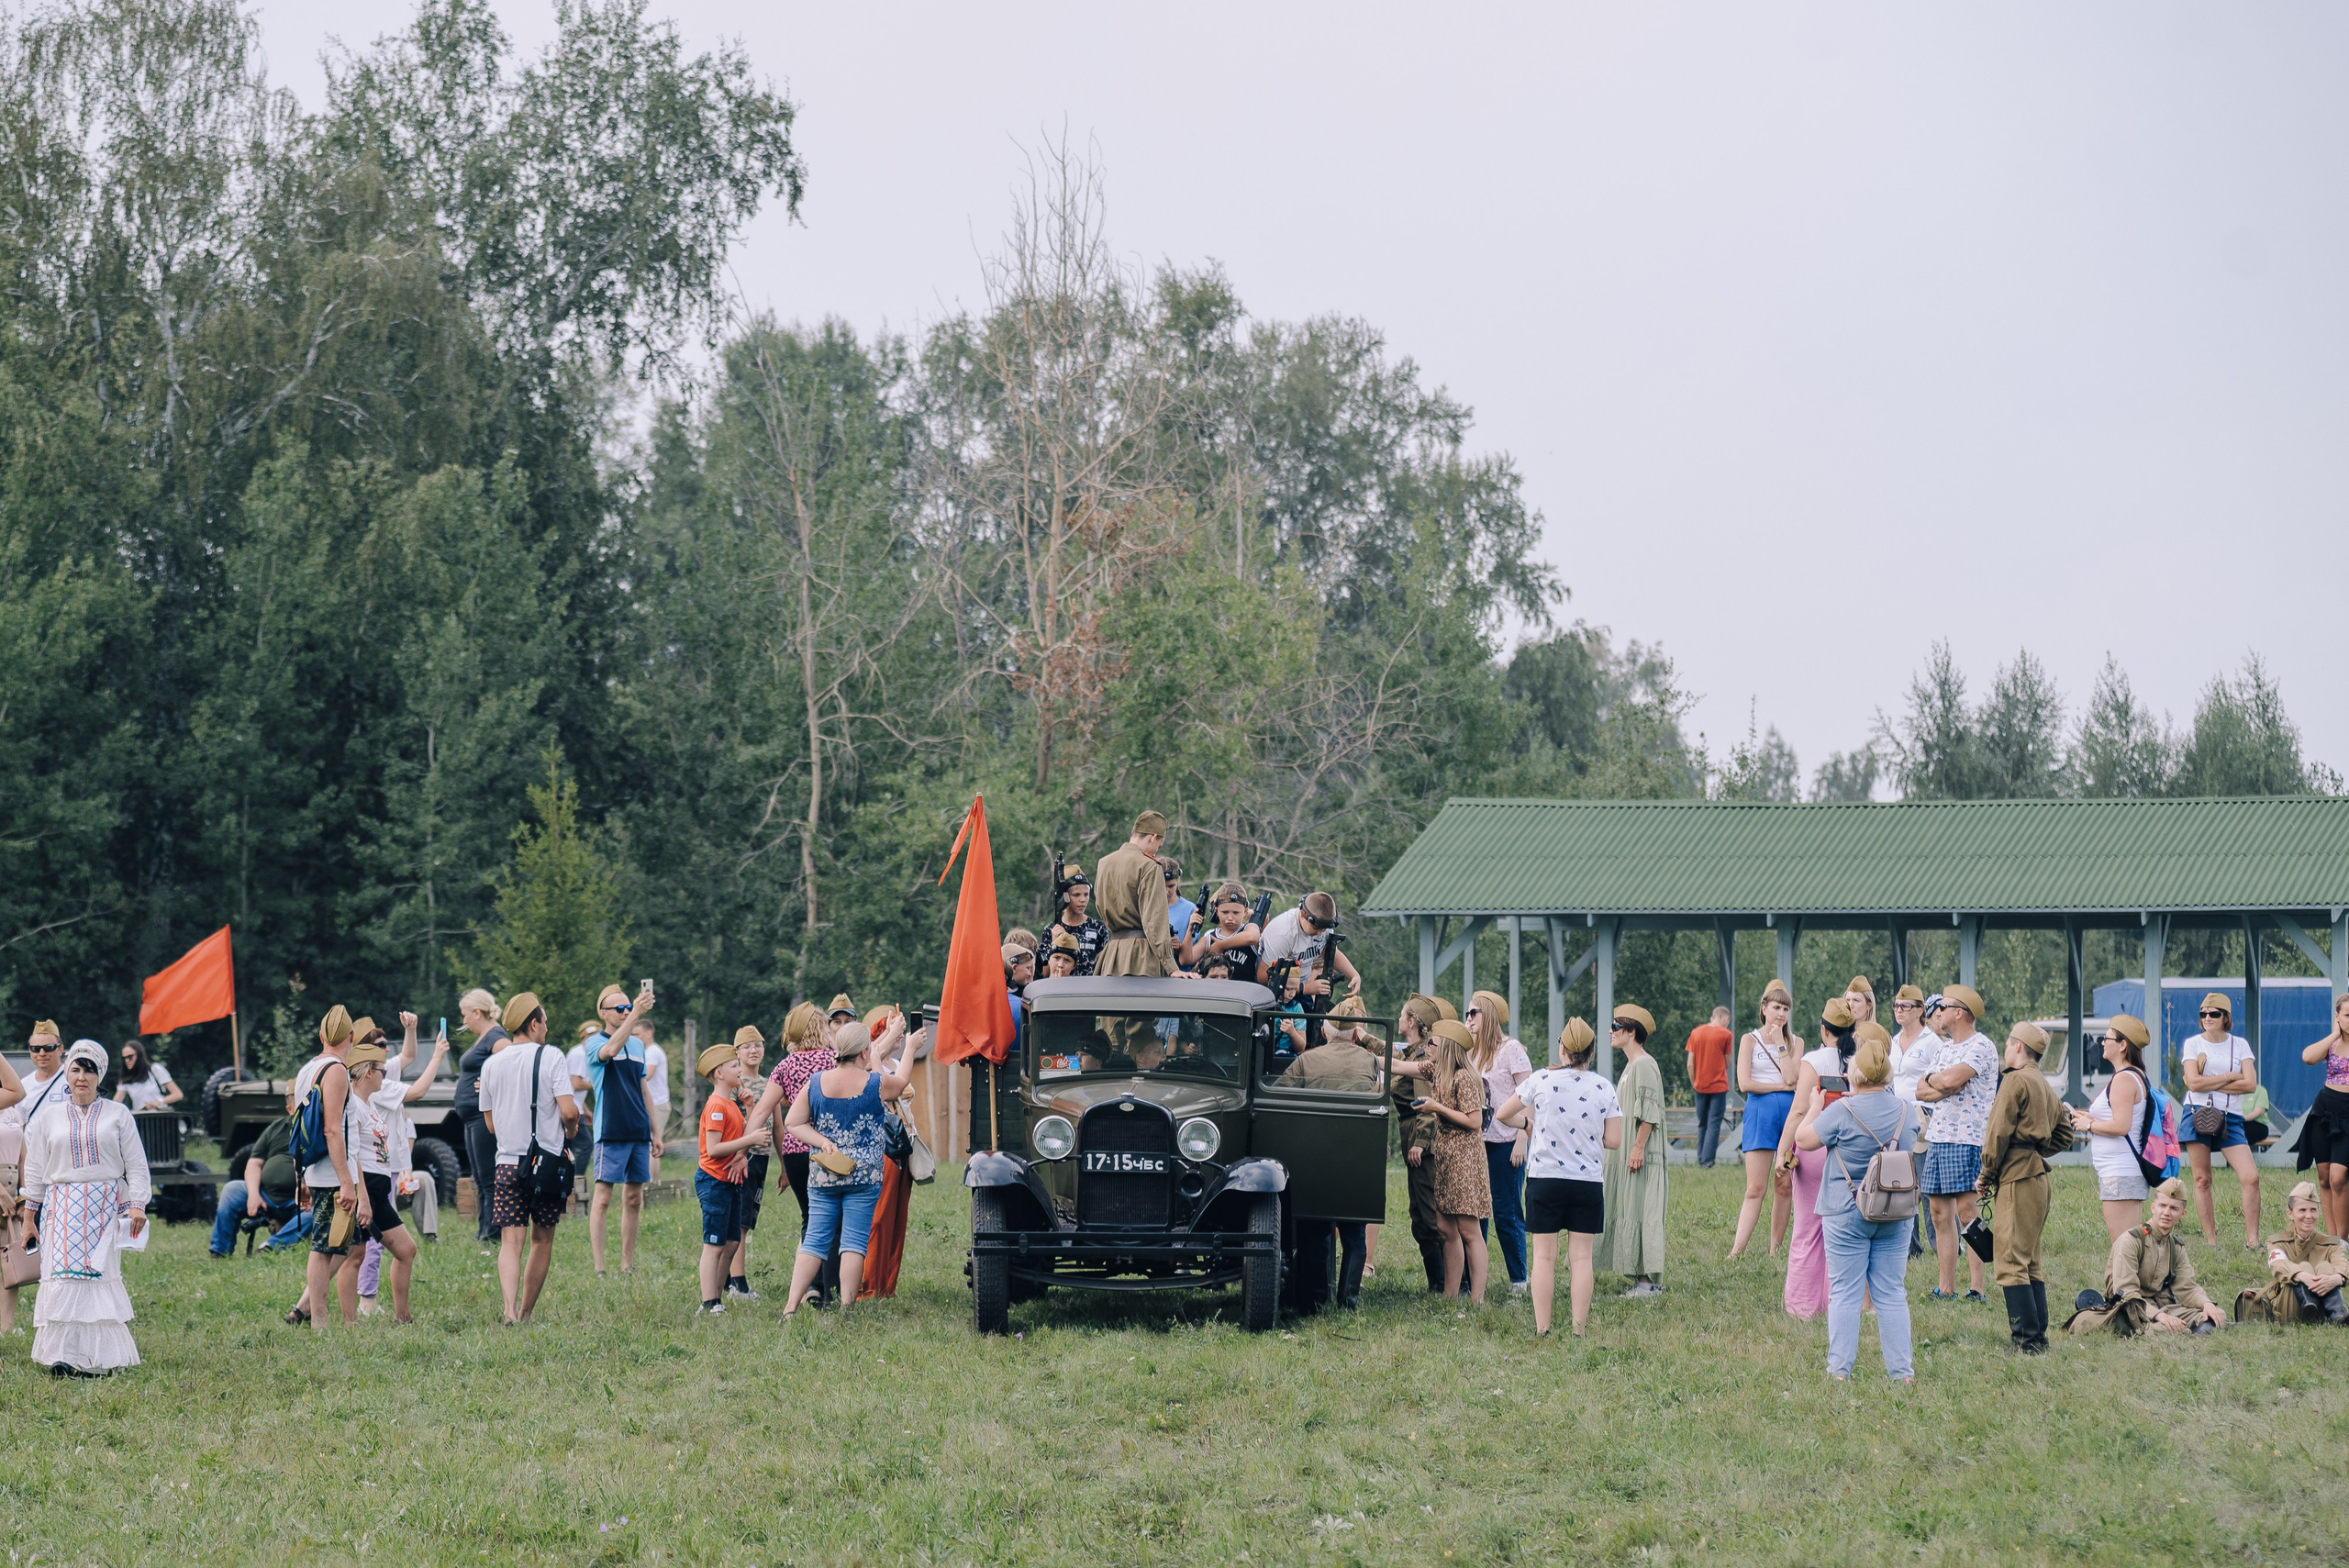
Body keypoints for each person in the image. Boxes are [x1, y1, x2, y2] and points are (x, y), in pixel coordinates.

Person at [17, 1040, 149, 1374]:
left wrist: (137, 1205)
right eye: (75, 1069)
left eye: (88, 1070)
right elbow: (35, 1169)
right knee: (62, 1280)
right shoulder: (50, 1117)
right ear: (66, 1072)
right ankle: (63, 1357)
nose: (81, 1077)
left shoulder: (118, 1115)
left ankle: (100, 1360)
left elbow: (135, 1164)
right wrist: (29, 1217)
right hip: (60, 1208)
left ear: (99, 1075)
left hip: (104, 1208)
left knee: (95, 1279)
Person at [1793, 1028, 1916, 1383]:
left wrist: (1815, 1107)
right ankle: (1901, 1373)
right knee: (1892, 1292)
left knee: (1845, 1291)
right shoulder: (1907, 1111)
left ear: (1854, 1074)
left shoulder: (1843, 1110)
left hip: (1845, 1209)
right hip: (1895, 1211)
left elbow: (1804, 1139)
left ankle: (1840, 1371)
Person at [780, 1017, 914, 1318]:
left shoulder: (816, 1083)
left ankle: (790, 1309)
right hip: (865, 1176)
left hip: (825, 1174)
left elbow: (792, 1122)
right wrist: (910, 1047)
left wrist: (822, 1141)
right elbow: (902, 1084)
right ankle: (846, 1309)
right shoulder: (874, 1084)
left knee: (814, 1240)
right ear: (865, 1052)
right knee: (854, 1242)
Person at [1497, 1018, 1618, 1337]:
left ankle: (1542, 1328)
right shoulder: (1604, 1087)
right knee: (1581, 1258)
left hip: (1545, 1178)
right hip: (1587, 1182)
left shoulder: (1540, 1080)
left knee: (1544, 1257)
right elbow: (1615, 1139)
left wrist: (1528, 1124)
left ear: (1561, 1048)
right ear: (1591, 1052)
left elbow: (1501, 1114)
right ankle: (1578, 1330)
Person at [478, 993, 578, 1325]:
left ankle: (507, 1310)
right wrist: (572, 1128)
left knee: (510, 1240)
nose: (546, 1029)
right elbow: (568, 1109)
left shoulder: (491, 1064)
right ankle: (525, 1311)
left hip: (507, 1162)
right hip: (545, 1163)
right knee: (542, 1238)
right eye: (545, 1022)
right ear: (533, 1024)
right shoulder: (550, 1057)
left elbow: (490, 1124)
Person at [1279, 997, 1382, 1308]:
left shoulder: (1306, 1061)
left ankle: (1315, 1300)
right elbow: (1377, 1093)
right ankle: (1348, 1300)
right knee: (1355, 1233)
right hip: (1358, 1159)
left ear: (1324, 1033)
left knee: (1314, 1231)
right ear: (1354, 1035)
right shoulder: (1368, 1062)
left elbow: (1280, 1095)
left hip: (1315, 1159)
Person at [1978, 1020, 2067, 1353]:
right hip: (2038, 1176)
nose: (2006, 1048)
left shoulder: (2015, 1080)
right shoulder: (2043, 1083)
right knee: (2029, 1260)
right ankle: (2037, 1336)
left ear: (2017, 1046)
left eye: (2007, 1043)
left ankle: (2027, 1341)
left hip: (2016, 1177)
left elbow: (1997, 1133)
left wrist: (1988, 1173)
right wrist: (2035, 1150)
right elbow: (2065, 1134)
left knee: (2010, 1261)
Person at [750, 1003, 840, 1307]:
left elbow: (762, 1110)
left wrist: (742, 1145)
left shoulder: (785, 1066)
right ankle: (828, 1291)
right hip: (831, 1150)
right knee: (836, 1218)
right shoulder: (836, 1061)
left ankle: (811, 1286)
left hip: (795, 1153)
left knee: (810, 1217)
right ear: (822, 1028)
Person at [1914, 983, 1998, 1303]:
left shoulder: (1982, 1046)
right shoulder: (1945, 1048)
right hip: (1938, 1137)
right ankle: (1945, 1286)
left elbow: (1947, 1081)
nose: (1938, 1012)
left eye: (1944, 1007)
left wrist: (1944, 1083)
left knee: (1967, 1212)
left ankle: (1977, 1287)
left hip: (1968, 1139)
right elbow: (1922, 1090)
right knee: (1938, 1213)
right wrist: (1944, 1084)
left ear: (1960, 1013)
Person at [1776, 997, 1857, 1320]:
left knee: (1808, 1228)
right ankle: (1834, 1300)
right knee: (1838, 1229)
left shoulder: (1814, 1060)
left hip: (1814, 1145)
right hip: (1849, 1149)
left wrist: (1783, 1151)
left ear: (1824, 1031)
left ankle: (1802, 1305)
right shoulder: (1860, 1059)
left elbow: (1799, 1110)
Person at [2066, 1178, 2225, 1336]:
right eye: (2162, 1206)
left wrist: (2207, 1304)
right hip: (2131, 1308)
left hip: (2160, 1306)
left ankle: (2189, 1331)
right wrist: (2160, 1316)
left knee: (2216, 1315)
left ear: (2182, 1214)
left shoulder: (2175, 1247)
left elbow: (2187, 1287)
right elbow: (2126, 1292)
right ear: (2153, 1207)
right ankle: (2184, 1332)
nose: (2166, 1213)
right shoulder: (2131, 1241)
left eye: (2174, 1208)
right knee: (2170, 1330)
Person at [335, 1041, 422, 1323]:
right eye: (382, 1070)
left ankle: (402, 1316)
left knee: (405, 1250)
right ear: (368, 1072)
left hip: (378, 1192)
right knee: (353, 1256)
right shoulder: (352, 1106)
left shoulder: (370, 1103)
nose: (385, 1075)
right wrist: (361, 1197)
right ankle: (348, 1324)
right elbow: (353, 1154)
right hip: (366, 1191)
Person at [290, 1006, 364, 1330]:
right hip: (331, 1175)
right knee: (323, 1247)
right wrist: (346, 1183)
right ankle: (318, 1320)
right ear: (351, 1037)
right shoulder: (336, 1070)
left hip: (316, 1171)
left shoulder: (308, 1069)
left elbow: (295, 1125)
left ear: (321, 1037)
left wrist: (300, 1175)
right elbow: (331, 1130)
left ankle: (307, 1309)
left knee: (351, 1244)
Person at [584, 983, 660, 1278]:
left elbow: (644, 1089)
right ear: (604, 1013)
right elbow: (611, 1049)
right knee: (603, 1198)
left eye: (629, 1006)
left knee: (634, 1199)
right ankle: (599, 1267)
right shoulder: (594, 1043)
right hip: (610, 1129)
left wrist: (656, 1131)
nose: (627, 1011)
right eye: (620, 1008)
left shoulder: (638, 1046)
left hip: (638, 1130)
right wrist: (636, 1016)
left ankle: (627, 1264)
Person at [2179, 992, 2262, 1251]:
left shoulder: (2240, 1045)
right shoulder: (2193, 1044)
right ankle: (2211, 1241)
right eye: (2203, 1014)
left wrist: (2210, 1084)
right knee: (2202, 1179)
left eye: (2214, 1013)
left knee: (2251, 1177)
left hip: (2231, 1117)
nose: (2207, 1018)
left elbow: (2250, 1084)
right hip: (2197, 1113)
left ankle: (2253, 1240)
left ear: (2226, 1017)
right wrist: (2229, 1076)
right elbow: (2192, 1083)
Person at [694, 1039, 769, 1315]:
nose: (740, 1069)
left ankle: (717, 1295)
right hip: (714, 1181)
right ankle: (709, 1302)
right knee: (713, 1243)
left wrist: (749, 1107)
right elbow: (713, 1150)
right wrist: (748, 1140)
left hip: (732, 1181)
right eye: (734, 1065)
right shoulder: (716, 1106)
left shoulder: (732, 1105)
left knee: (732, 1241)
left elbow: (742, 1136)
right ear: (719, 1074)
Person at [1729, 979, 1800, 1261]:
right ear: (1764, 1008)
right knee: (1755, 1187)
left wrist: (1781, 1045)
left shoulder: (1796, 1043)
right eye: (1776, 1007)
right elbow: (1745, 1083)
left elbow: (1793, 1078)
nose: (1781, 1014)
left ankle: (1775, 1249)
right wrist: (1780, 1087)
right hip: (1760, 1112)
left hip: (1790, 1114)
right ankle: (1737, 1250)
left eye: (1785, 1009)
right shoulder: (1750, 1040)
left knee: (1784, 1182)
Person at [1421, 1018, 1492, 1303]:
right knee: (1446, 1228)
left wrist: (1436, 1106)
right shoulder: (1437, 1069)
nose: (1427, 1047)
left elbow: (1474, 1121)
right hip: (1447, 1157)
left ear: (1447, 1048)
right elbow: (1401, 1066)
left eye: (1432, 1043)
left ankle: (1477, 1299)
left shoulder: (1463, 1077)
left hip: (1465, 1158)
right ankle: (1451, 1295)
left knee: (1468, 1230)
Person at [1598, 1004, 1667, 1298]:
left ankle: (1647, 1282)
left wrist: (1638, 1147)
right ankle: (1639, 1277)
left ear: (1630, 1032)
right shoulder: (1631, 1065)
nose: (1610, 1033)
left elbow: (1649, 1112)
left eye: (1615, 1028)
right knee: (1629, 1207)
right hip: (1626, 1152)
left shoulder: (1643, 1064)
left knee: (1641, 1209)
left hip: (1640, 1155)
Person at [1466, 991, 1532, 1295]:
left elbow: (1530, 1095)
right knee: (1476, 1212)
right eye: (1467, 1014)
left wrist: (1523, 1137)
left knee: (1506, 1212)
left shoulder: (1512, 1049)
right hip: (1477, 1143)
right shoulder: (1470, 1051)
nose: (1468, 1019)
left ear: (1488, 1014)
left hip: (1506, 1142)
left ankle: (1519, 1280)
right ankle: (1472, 1281)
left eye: (1474, 1013)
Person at [3, 1021, 64, 1336]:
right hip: (19, 1180)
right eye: (35, 1048)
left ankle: (22, 1322)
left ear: (60, 1049)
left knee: (32, 1252)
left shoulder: (73, 1080)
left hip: (53, 1174)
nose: (41, 1054)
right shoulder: (22, 1088)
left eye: (48, 1047)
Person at [857, 1006, 921, 1302]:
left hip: (901, 1145)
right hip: (880, 1147)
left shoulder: (893, 1061)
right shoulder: (867, 1065)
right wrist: (904, 1043)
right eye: (887, 1027)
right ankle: (869, 1285)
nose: (895, 1033)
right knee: (879, 1218)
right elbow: (894, 1087)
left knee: (897, 1218)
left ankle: (887, 1285)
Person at [2070, 1014, 2151, 1242]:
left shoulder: (2124, 1079)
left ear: (2123, 1045)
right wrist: (2089, 1116)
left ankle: (2127, 1279)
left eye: (2107, 1038)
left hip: (2120, 1172)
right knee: (2131, 1242)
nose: (2103, 1043)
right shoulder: (2133, 1076)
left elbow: (2122, 1125)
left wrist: (2090, 1124)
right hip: (2123, 1171)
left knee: (2124, 1245)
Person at [1386, 995, 1447, 1291]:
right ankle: (1440, 1282)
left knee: (1429, 1217)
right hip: (1412, 1135)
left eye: (1401, 1016)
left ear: (1412, 1023)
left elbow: (1427, 1105)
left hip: (1422, 1143)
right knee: (1420, 1216)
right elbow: (1392, 1058)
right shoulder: (1414, 1053)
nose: (1398, 1020)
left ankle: (1445, 1283)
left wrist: (1420, 1143)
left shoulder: (1423, 1058)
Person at [208, 1088, 307, 1257]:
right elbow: (254, 1163)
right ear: (289, 1109)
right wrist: (254, 1194)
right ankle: (220, 1251)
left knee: (318, 1210)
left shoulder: (320, 1129)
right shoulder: (276, 1128)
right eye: (299, 1104)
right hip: (266, 1196)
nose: (305, 1109)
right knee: (232, 1190)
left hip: (300, 1200)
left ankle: (271, 1247)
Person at [2234, 1181, 2347, 1325]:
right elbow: (2278, 1265)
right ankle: (2309, 1311)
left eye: (2313, 1210)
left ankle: (2337, 1316)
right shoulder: (2277, 1242)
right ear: (2290, 1214)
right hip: (2290, 1309)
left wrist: (2337, 1279)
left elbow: (2342, 1264)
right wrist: (2302, 1276)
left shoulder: (2331, 1243)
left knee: (2325, 1266)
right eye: (2302, 1210)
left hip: (2324, 1309)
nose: (2308, 1216)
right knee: (2303, 1267)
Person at [451, 988, 507, 1247]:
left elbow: (511, 1063)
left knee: (489, 1177)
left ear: (477, 1012)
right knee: (480, 1177)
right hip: (472, 1116)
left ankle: (493, 1233)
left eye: (466, 1015)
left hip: (484, 1116)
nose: (464, 1021)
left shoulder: (497, 1037)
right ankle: (484, 1228)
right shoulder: (484, 1037)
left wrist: (491, 1083)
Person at [1093, 811, 1176, 979]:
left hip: (1112, 956)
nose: (1156, 853)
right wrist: (1172, 967)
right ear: (1153, 838)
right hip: (1142, 958)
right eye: (1158, 847)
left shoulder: (1104, 863)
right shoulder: (1149, 866)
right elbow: (1154, 921)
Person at [2294, 993, 2349, 1239]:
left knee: (2339, 1177)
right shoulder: (2332, 1044)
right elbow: (2307, 1057)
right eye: (2347, 1015)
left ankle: (2343, 1240)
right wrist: (2334, 1035)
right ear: (2337, 1017)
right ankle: (2332, 1237)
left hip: (2348, 1114)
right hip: (2324, 1110)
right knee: (2324, 1177)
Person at [1887, 984, 1933, 1258]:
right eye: (1896, 1005)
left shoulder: (1931, 1042)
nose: (1899, 1010)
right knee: (1904, 1185)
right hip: (1898, 1115)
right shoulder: (1892, 1042)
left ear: (1920, 1010)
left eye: (1905, 1006)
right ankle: (1910, 1246)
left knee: (1928, 1186)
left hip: (1924, 1117)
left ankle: (1943, 1243)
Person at [1257, 890, 1362, 1003]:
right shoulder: (1283, 934)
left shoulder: (1323, 928)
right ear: (1302, 914)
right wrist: (1304, 988)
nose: (1320, 934)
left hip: (1300, 993)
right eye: (1316, 929)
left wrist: (1353, 975)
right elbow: (1262, 976)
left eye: (1324, 930)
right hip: (1272, 994)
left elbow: (1329, 953)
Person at [729, 1029, 769, 1299]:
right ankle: (737, 1282)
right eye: (747, 1047)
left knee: (748, 1220)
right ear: (737, 1053)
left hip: (763, 1159)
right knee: (740, 1222)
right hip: (742, 1158)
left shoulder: (769, 1083)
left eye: (757, 1045)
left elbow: (777, 1125)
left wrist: (785, 1166)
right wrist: (739, 1155)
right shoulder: (735, 1083)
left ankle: (730, 1279)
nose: (753, 1051)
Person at [1684, 1006, 1732, 1169]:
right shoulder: (1726, 1034)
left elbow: (1690, 1064)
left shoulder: (1696, 1033)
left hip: (1700, 1086)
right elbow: (1727, 1061)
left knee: (1702, 1123)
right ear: (1725, 1019)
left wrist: (1695, 1083)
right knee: (1714, 1123)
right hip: (1718, 1086)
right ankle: (1707, 1162)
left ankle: (1701, 1159)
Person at [1182, 883, 1264, 976]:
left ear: (1245, 911)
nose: (1230, 917)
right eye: (1225, 912)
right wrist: (1190, 928)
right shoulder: (1210, 938)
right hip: (1216, 990)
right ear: (1216, 911)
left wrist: (1221, 946)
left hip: (1245, 990)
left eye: (1235, 913)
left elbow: (1252, 937)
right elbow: (1186, 960)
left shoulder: (1249, 928)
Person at [1046, 866, 1108, 976]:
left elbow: (1106, 966)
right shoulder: (1051, 930)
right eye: (1076, 895)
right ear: (1065, 897)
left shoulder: (1098, 928)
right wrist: (1054, 944)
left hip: (1089, 990)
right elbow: (1043, 973)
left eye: (1086, 894)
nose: (1083, 900)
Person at [110, 1039, 180, 1112]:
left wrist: (158, 1102)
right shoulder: (125, 1078)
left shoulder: (155, 1070)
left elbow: (177, 1095)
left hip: (160, 1116)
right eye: (124, 1058)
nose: (127, 1061)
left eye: (130, 1057)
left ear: (139, 1055)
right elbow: (116, 1102)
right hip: (141, 1118)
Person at [636, 1016, 672, 1142]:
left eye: (637, 1034)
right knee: (650, 1143)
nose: (634, 1038)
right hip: (653, 1103)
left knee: (651, 1144)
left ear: (649, 1033)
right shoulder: (647, 1052)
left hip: (657, 1103)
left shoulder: (653, 1052)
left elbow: (647, 1075)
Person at [1161, 856, 1197, 954]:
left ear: (1178, 881)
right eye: (1161, 886)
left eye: (1171, 886)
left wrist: (1179, 948)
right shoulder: (1146, 908)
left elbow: (1194, 952)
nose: (1166, 892)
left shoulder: (1190, 910)